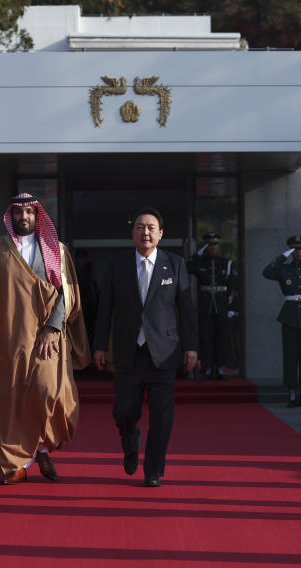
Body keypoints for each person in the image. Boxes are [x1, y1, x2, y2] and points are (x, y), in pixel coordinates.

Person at [0, 194, 90, 484]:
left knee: (50, 394)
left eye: (30, 212)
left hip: (48, 340)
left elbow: (66, 294)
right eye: (19, 212)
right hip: (7, 339)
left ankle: (42, 446)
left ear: (37, 215)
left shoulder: (56, 249)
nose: (24, 217)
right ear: (11, 215)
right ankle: (15, 465)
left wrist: (53, 329)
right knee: (10, 401)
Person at [92, 207, 198, 487]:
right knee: (124, 410)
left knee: (163, 416)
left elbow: (186, 308)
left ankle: (153, 469)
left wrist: (191, 347)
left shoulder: (174, 264)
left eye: (151, 227)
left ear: (161, 234)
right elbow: (105, 309)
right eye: (140, 227)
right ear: (132, 233)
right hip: (128, 351)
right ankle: (130, 443)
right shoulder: (118, 264)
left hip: (164, 353)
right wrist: (100, 345)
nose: (146, 232)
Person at [262, 235, 301, 406]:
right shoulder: (284, 269)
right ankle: (291, 393)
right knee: (290, 356)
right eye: (295, 249)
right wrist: (283, 255)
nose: (298, 252)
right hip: (289, 315)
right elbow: (267, 272)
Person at [187, 232, 237, 379]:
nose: (212, 248)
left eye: (214, 245)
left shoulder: (226, 263)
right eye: (209, 245)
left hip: (221, 304)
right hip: (206, 304)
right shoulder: (200, 263)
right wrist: (198, 253)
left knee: (222, 337)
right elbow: (187, 267)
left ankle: (220, 368)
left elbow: (232, 286)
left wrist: (231, 308)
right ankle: (207, 368)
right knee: (206, 336)